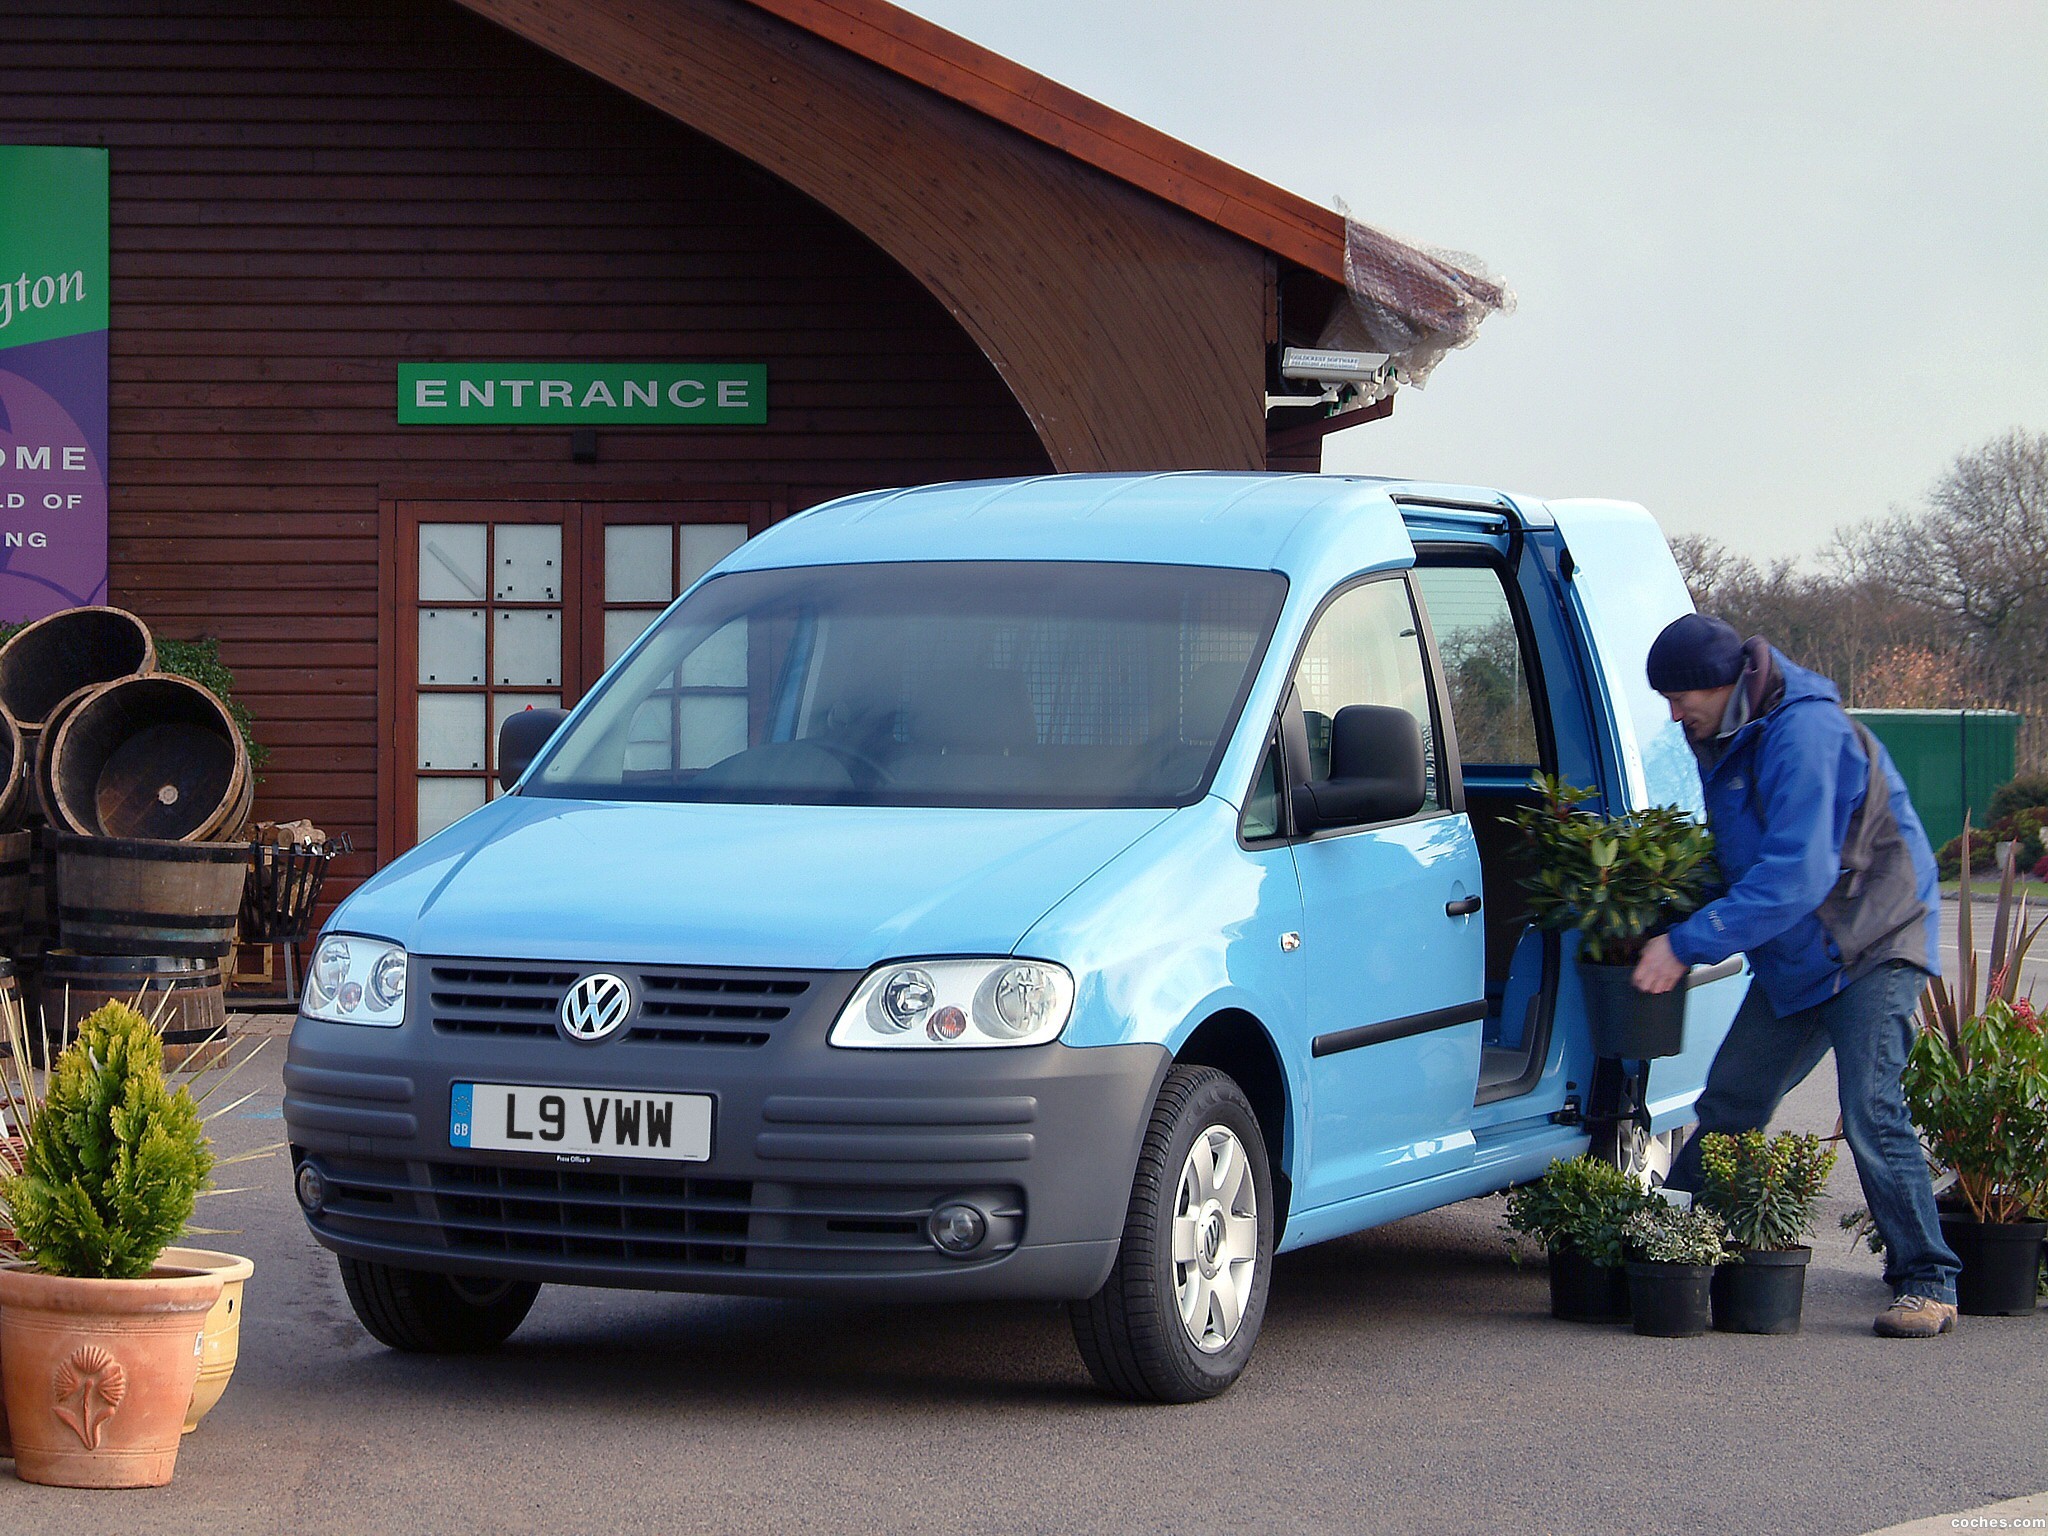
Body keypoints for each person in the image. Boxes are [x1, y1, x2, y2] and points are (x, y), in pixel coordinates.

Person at [1629, 613, 1961, 1337]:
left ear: (1724, 684)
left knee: (1873, 1109)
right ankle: (1666, 1250)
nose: (1673, 711)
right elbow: (1746, 856)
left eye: (1681, 696)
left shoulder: (1802, 732)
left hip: (1871, 937)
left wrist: (1685, 942)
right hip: (1799, 953)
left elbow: (1798, 872)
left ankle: (1927, 1281)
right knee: (1730, 1104)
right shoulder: (1721, 734)